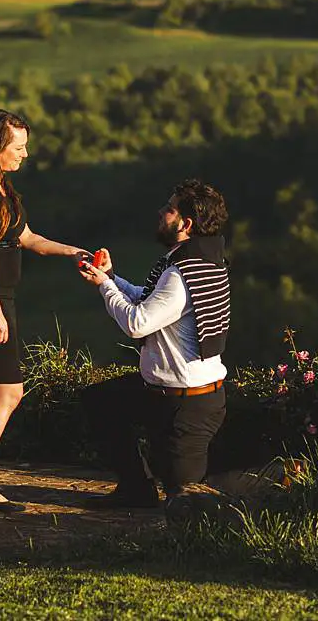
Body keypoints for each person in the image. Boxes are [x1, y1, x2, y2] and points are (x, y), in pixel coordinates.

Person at [0, 109, 86, 518]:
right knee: (11, 393)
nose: (25, 154)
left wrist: (74, 252)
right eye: (18, 147)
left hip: (0, 297)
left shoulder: (2, 189)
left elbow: (26, 238)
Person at [77, 179, 231, 507]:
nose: (161, 212)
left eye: (169, 209)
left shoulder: (181, 273)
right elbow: (150, 303)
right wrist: (112, 278)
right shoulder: (196, 260)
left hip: (187, 407)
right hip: (167, 393)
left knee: (184, 498)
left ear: (185, 224)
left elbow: (137, 322)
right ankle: (135, 489)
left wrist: (105, 286)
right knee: (101, 402)